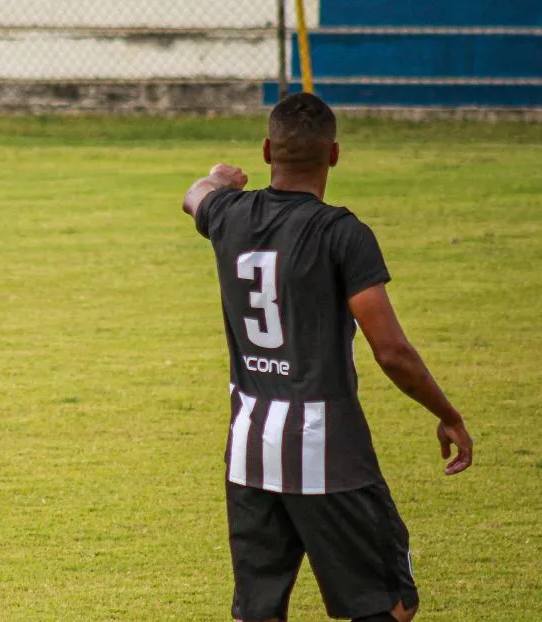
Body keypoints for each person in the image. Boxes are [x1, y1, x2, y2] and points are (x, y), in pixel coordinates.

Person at [181, 92, 473, 622]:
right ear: (334, 155)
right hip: (326, 449)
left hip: (249, 447)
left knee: (259, 609)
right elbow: (393, 351)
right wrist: (447, 414)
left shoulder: (228, 214)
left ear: (268, 150)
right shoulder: (342, 234)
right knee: (391, 602)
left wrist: (221, 177)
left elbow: (194, 194)